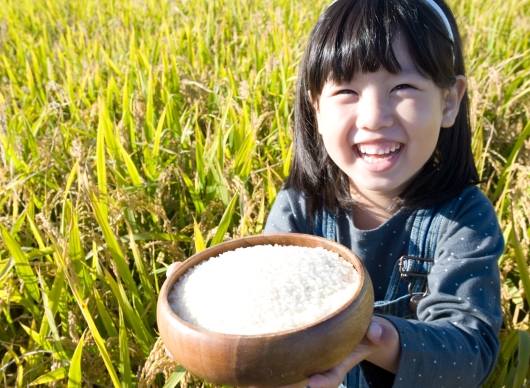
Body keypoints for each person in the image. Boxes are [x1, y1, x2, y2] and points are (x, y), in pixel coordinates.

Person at [166, 0, 503, 386]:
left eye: (403, 87)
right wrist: (217, 306)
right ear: (316, 110)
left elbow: (471, 355)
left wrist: (371, 335)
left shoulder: (462, 220)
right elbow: (268, 317)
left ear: (449, 101)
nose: (375, 117)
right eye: (346, 91)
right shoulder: (300, 208)